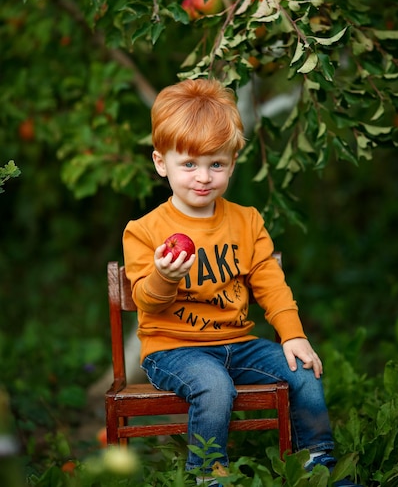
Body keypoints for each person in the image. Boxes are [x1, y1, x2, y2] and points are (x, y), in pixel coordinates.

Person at [123, 78, 362, 487]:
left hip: (237, 344)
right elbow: (146, 300)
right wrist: (164, 277)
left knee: (303, 370)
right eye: (189, 164)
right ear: (161, 163)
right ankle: (208, 475)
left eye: (216, 164)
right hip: (173, 350)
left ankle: (320, 465)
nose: (203, 177)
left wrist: (292, 335)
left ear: (233, 163)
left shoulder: (246, 221)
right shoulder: (145, 231)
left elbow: (270, 281)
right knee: (214, 386)